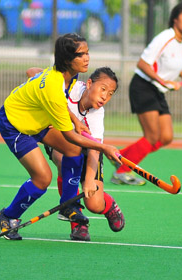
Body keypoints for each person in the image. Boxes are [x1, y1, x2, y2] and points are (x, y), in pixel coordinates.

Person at [0, 33, 122, 241]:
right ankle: (8, 216)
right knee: (43, 178)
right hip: (15, 124)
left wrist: (73, 117)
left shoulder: (67, 75)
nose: (87, 58)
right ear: (67, 60)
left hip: (38, 120)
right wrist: (105, 148)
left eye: (87, 52)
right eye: (81, 54)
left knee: (73, 152)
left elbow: (37, 77)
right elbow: (71, 136)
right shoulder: (54, 86)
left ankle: (68, 205)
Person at [27, 66, 125, 241]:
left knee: (94, 204)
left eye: (110, 94)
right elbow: (32, 71)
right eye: (103, 89)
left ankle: (109, 205)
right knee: (64, 159)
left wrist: (88, 180)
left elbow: (95, 150)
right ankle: (77, 220)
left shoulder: (96, 114)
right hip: (62, 142)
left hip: (89, 148)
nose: (105, 96)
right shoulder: (70, 88)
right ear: (89, 83)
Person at [110, 1, 182, 185]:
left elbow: (169, 64)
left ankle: (120, 157)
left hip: (157, 90)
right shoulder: (165, 36)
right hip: (143, 86)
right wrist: (163, 81)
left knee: (165, 137)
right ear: (175, 18)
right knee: (152, 137)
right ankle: (122, 172)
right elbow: (142, 63)